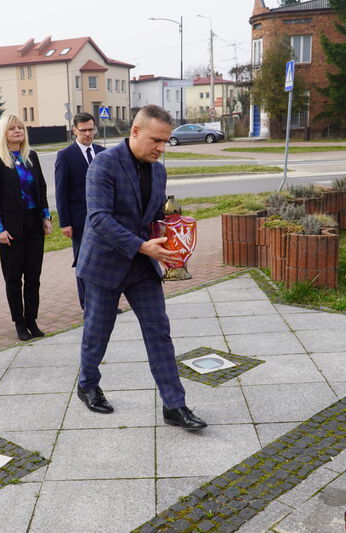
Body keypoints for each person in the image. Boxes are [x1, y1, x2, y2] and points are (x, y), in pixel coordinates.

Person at [75, 105, 207, 430]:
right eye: (156, 140)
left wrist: (174, 239)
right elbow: (98, 219)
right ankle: (87, 384)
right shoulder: (103, 165)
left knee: (159, 332)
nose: (162, 148)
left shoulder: (158, 171)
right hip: (104, 264)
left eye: (166, 141)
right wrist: (141, 245)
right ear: (135, 132)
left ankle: (174, 406)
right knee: (97, 332)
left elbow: (153, 218)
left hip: (142, 267)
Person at [0, 113, 53, 341]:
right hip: (10, 228)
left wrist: (46, 217)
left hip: (34, 223)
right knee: (14, 279)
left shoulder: (30, 156)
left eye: (21, 128)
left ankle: (32, 319)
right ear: (4, 132)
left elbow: (41, 189)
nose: (17, 132)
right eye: (12, 128)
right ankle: (19, 323)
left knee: (33, 276)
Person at [54, 112, 105, 309]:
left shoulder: (103, 152)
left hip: (104, 217)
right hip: (79, 221)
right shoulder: (65, 156)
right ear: (74, 130)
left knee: (103, 261)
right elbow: (61, 191)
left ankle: (104, 302)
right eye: (83, 130)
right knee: (84, 262)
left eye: (91, 129)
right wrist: (65, 222)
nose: (88, 134)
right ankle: (88, 304)